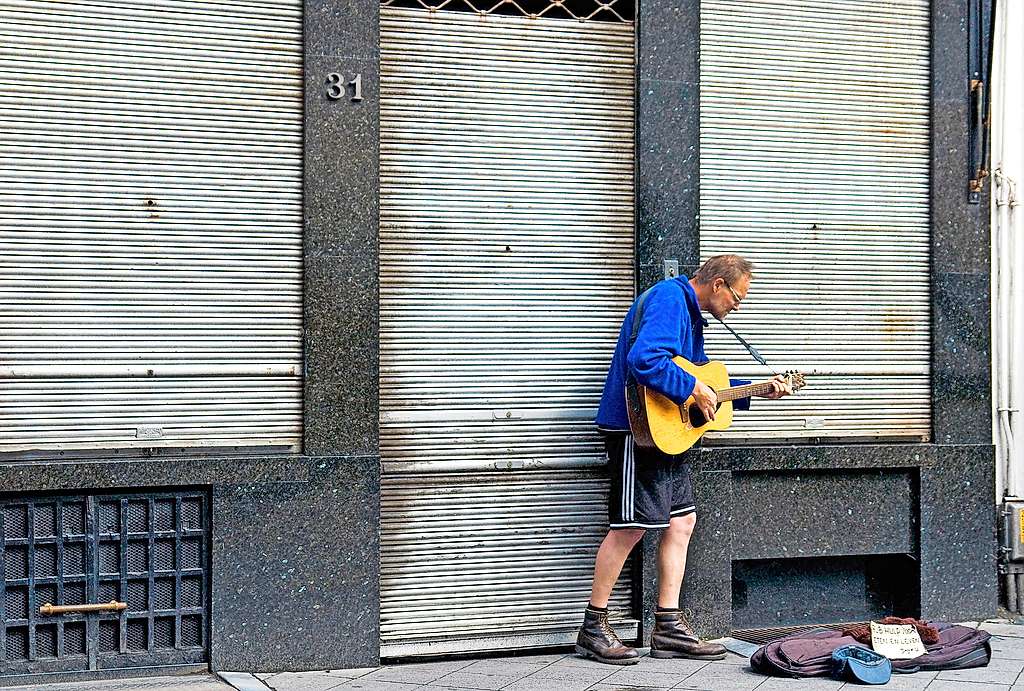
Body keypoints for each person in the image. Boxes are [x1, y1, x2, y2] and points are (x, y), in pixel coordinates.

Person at [576, 254, 793, 665]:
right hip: (635, 432)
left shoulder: (693, 316)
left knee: (682, 520)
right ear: (717, 285)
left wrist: (755, 390)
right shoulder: (671, 300)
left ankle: (668, 627)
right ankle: (593, 627)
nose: (738, 307)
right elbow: (646, 361)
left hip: (667, 436)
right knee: (630, 527)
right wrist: (693, 386)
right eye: (738, 297)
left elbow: (701, 385)